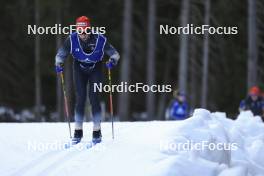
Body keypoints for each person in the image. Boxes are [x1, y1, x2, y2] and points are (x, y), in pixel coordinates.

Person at [55, 16, 120, 144]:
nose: (82, 34)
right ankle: (78, 132)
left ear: (89, 29)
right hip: (79, 68)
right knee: (80, 98)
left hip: (96, 68)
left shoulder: (99, 39)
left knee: (94, 98)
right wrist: (58, 64)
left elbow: (115, 54)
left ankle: (97, 131)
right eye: (79, 31)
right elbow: (60, 55)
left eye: (85, 31)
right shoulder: (72, 39)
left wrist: (112, 61)